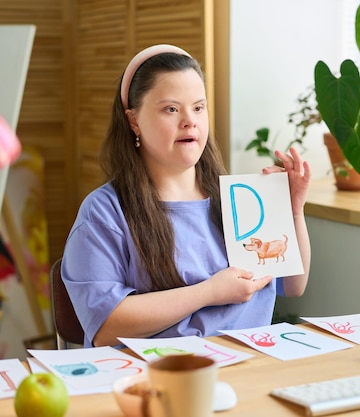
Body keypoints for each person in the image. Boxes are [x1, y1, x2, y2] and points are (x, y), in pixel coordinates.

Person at [62, 44, 311, 348]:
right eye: (171, 108)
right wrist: (209, 292)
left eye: (198, 107)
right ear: (134, 121)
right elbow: (105, 328)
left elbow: (293, 285)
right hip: (150, 379)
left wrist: (293, 211)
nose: (189, 120)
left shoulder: (240, 199)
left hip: (246, 372)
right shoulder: (104, 211)